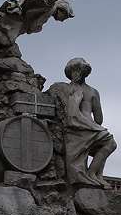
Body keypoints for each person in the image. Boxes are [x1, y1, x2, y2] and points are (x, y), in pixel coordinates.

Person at [49, 57, 116, 187]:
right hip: (82, 128)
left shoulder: (66, 89)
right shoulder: (92, 91)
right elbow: (99, 119)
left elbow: (98, 119)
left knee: (108, 144)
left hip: (81, 128)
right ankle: (93, 174)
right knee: (110, 143)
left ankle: (95, 174)